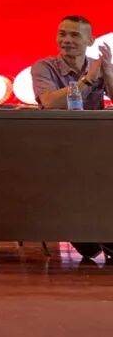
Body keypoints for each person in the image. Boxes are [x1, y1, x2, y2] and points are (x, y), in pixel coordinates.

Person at [30, 15, 113, 261]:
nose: (66, 40)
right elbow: (50, 102)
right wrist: (88, 80)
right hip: (56, 146)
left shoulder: (97, 65)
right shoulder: (44, 67)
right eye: (62, 34)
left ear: (90, 40)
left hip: (94, 145)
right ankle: (87, 236)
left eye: (74, 35)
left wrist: (108, 73)